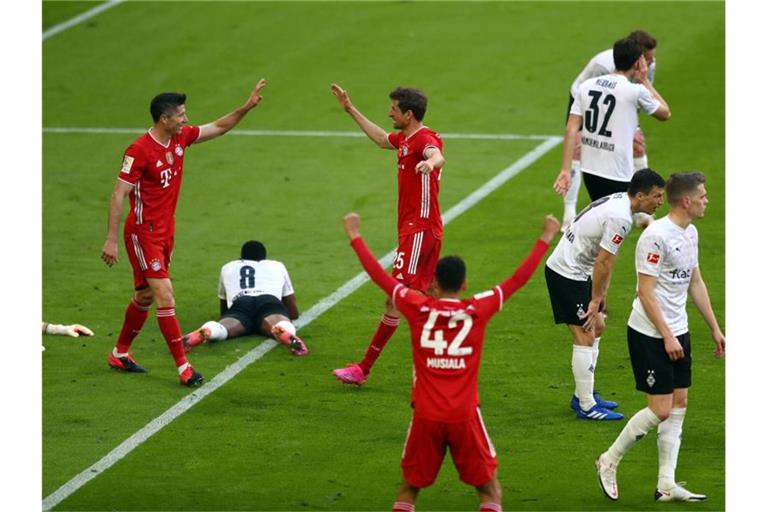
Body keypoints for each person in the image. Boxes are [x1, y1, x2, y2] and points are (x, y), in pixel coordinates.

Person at [342, 211, 560, 512]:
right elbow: (518, 280)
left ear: (433, 283)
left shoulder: (417, 307)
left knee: (408, 489)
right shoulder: (477, 309)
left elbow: (380, 277)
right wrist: (545, 237)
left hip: (426, 415)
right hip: (464, 415)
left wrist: (355, 236)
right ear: (464, 283)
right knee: (490, 490)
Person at [101, 79, 267, 386]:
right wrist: (111, 239)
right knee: (165, 295)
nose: (186, 119)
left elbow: (218, 127)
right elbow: (118, 194)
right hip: (143, 233)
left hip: (166, 231)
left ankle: (120, 352)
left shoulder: (181, 139)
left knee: (145, 294)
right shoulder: (139, 150)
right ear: (165, 119)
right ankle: (184, 368)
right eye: (181, 115)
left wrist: (246, 106)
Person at [596, 172, 725, 502]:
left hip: (677, 330)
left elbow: (694, 282)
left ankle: (666, 484)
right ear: (686, 201)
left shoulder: (690, 233)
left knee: (679, 404)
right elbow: (646, 292)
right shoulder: (655, 237)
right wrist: (667, 336)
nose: (707, 200)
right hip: (650, 333)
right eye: (703, 196)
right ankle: (608, 460)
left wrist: (714, 328)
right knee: (661, 409)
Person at [329, 84, 446, 386]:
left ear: (408, 114)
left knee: (394, 297)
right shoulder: (405, 139)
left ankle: (364, 368)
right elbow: (382, 139)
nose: (389, 112)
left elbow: (436, 156)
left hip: (419, 230)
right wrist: (350, 109)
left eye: (394, 109)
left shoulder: (424, 140)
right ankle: (451, 354)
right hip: (420, 229)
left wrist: (428, 164)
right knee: (432, 293)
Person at [545, 168, 666, 420]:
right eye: (656, 196)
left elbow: (605, 259)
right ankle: (586, 405)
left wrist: (601, 293)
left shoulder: (622, 205)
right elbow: (603, 261)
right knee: (585, 334)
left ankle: (583, 393)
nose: (660, 201)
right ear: (641, 196)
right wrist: (595, 298)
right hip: (567, 272)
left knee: (597, 326)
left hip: (578, 269)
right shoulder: (620, 217)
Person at [554, 37, 670, 223]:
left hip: (591, 173)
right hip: (618, 174)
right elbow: (665, 113)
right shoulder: (634, 91)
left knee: (602, 224)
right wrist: (645, 81)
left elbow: (571, 127)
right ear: (637, 63)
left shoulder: (587, 86)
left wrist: (565, 170)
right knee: (614, 230)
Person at [181, 240, 308, 356]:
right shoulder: (277, 266)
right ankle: (282, 330)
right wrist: (286, 316)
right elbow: (293, 311)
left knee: (224, 328)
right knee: (280, 323)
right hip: (268, 301)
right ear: (264, 257)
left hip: (241, 302)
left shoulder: (228, 267)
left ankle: (209, 330)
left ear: (241, 256)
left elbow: (224, 308)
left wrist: (231, 318)